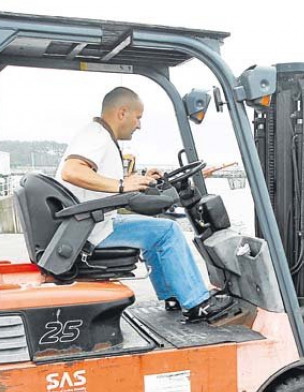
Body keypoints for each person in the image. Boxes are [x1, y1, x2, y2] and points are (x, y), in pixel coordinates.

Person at [56, 86, 230, 320]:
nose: (139, 125)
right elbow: (71, 170)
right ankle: (197, 303)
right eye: (138, 118)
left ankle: (175, 295)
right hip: (90, 230)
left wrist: (138, 178)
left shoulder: (99, 136)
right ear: (122, 113)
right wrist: (121, 185)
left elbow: (97, 180)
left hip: (90, 224)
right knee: (168, 231)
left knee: (155, 229)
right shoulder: (96, 136)